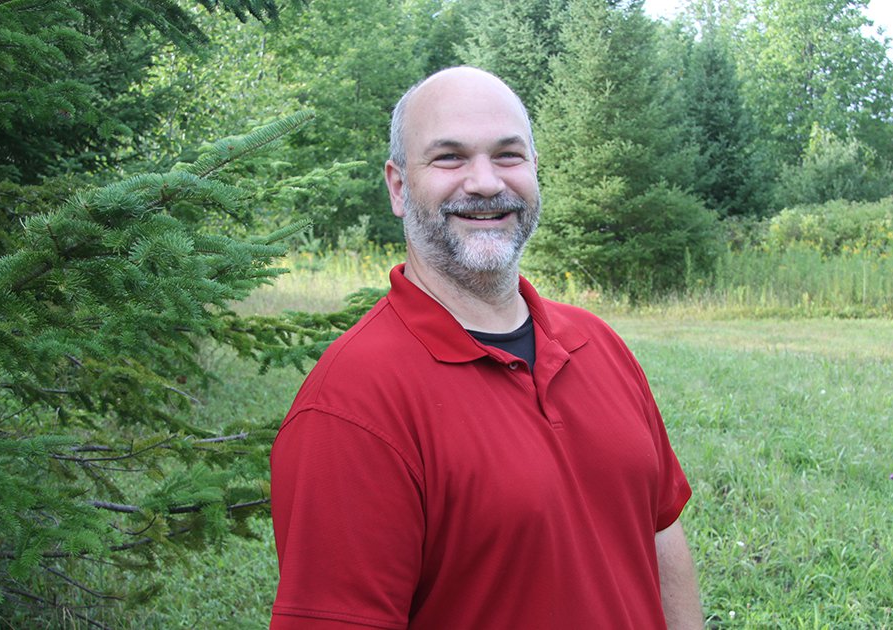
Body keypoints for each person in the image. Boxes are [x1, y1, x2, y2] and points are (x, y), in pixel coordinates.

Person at [270, 66, 704, 629]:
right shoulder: (351, 407)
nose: (484, 183)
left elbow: (659, 532)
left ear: (534, 171)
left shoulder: (598, 345)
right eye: (449, 157)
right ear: (399, 187)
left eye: (508, 155)